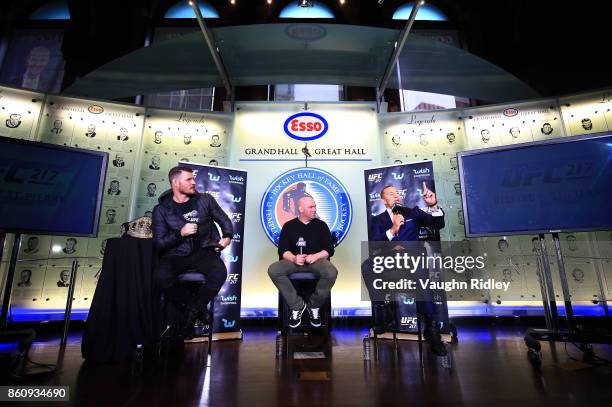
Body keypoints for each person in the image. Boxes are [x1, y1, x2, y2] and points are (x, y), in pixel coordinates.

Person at [362, 183, 447, 355]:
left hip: (412, 261)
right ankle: (382, 312)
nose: (396, 196)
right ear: (383, 199)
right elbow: (373, 244)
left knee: (421, 273)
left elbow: (437, 224)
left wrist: (433, 205)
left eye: (397, 194)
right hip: (389, 262)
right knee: (367, 266)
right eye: (391, 194)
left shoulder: (412, 212)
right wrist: (392, 230)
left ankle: (432, 330)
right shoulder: (378, 220)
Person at [153, 166, 233, 338]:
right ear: (175, 182)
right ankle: (197, 310)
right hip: (176, 254)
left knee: (219, 273)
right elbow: (159, 244)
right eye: (188, 179)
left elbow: (224, 219)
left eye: (193, 179)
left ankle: (188, 318)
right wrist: (179, 233)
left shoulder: (205, 200)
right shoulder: (161, 210)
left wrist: (227, 237)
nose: (193, 182)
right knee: (160, 276)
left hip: (203, 251)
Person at [267, 196, 337, 328]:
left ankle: (314, 306)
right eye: (311, 207)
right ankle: (297, 306)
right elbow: (282, 250)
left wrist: (315, 256)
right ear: (301, 209)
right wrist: (293, 258)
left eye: (315, 206)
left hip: (316, 262)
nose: (314, 209)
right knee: (274, 270)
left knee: (331, 272)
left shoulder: (321, 225)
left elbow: (329, 250)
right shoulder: (289, 226)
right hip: (294, 262)